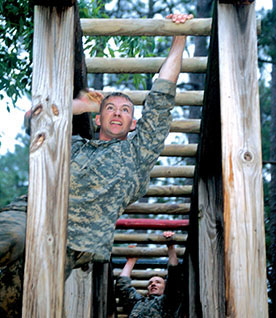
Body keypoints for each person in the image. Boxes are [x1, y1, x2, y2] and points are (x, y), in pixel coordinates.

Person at [0, 12, 193, 316]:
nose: (117, 113)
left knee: (10, 302)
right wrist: (82, 105)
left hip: (67, 244)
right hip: (31, 213)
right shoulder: (72, 146)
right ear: (99, 118)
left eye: (126, 110)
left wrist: (179, 39)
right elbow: (35, 121)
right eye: (110, 108)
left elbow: (161, 97)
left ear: (133, 124)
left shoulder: (136, 156)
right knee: (8, 237)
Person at [116, 231, 183, 318]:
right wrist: (131, 261)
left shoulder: (168, 302)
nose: (153, 284)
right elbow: (122, 286)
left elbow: (174, 277)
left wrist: (170, 247)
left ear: (165, 288)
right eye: (150, 283)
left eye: (158, 282)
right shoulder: (138, 302)